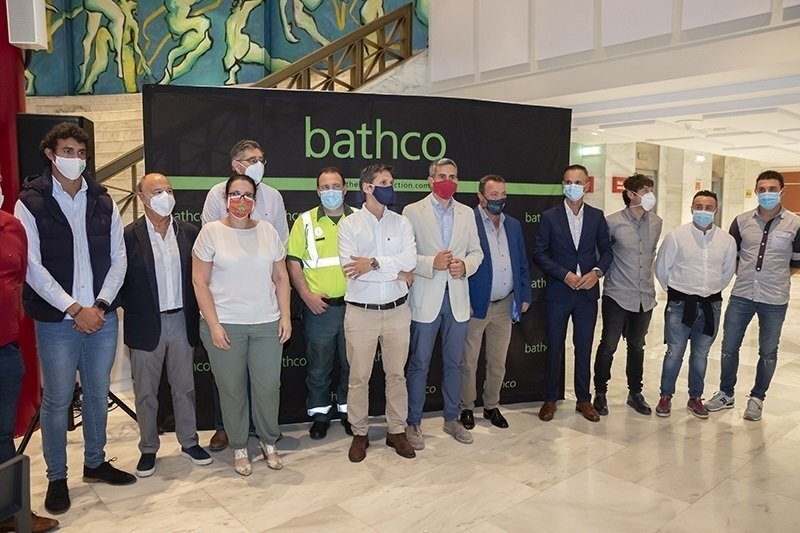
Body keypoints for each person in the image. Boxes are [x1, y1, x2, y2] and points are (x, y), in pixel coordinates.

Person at [15, 122, 135, 515]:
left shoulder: (102, 199)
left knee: (98, 394)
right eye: (68, 152)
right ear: (50, 154)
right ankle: (57, 477)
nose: (76, 159)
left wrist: (99, 305)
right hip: (57, 321)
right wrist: (73, 308)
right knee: (57, 399)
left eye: (81, 153)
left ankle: (95, 463)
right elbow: (32, 266)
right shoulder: (30, 201)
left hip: (101, 316)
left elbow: (119, 259)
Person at [193, 174, 291, 476]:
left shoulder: (268, 231)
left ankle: (268, 441)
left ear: (255, 201)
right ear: (226, 199)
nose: (241, 200)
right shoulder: (211, 232)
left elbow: (281, 277)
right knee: (232, 389)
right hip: (225, 325)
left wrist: (285, 316)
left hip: (266, 323)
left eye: (248, 195)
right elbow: (199, 281)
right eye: (235, 194)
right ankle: (238, 447)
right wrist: (213, 324)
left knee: (268, 388)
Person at [120, 173, 212, 478]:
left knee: (184, 387)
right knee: (146, 392)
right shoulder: (128, 236)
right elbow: (119, 280)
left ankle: (189, 442)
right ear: (142, 197)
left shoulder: (189, 232)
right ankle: (148, 447)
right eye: (157, 191)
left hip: (182, 319)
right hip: (146, 324)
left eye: (169, 190)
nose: (165, 196)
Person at [338, 163, 417, 463]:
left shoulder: (401, 222)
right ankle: (360, 433)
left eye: (391, 182)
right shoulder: (349, 225)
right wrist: (396, 272)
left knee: (396, 375)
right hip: (361, 313)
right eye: (384, 182)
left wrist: (372, 263)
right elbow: (351, 269)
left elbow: (409, 260)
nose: (390, 187)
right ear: (367, 187)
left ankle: (396, 431)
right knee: (359, 377)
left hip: (397, 311)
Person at [706, 171, 800, 421]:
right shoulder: (741, 221)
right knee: (729, 347)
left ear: (782, 191)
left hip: (775, 299)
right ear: (756, 191)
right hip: (742, 295)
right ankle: (726, 393)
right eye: (762, 189)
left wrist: (775, 278)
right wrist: (747, 275)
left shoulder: (795, 224)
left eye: (772, 189)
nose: (767, 193)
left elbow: (796, 263)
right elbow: (732, 256)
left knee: (768, 351)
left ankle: (757, 398)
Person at [403, 158, 483, 448]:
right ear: (430, 180)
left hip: (457, 300)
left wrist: (466, 266)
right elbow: (405, 255)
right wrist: (430, 263)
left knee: (454, 363)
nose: (447, 181)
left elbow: (477, 252)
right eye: (441, 176)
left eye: (452, 176)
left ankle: (451, 419)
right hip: (425, 300)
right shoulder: (412, 211)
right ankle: (413, 422)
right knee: (419, 364)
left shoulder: (466, 213)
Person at [0, 171, 59, 533]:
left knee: (2, 434)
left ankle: (8, 512)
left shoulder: (12, 227)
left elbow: (18, 278)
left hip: (6, 349)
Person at [532, 164, 612, 423]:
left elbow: (607, 251)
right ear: (562, 185)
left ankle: (583, 399)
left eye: (578, 182)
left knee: (584, 347)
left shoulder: (597, 216)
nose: (573, 186)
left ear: (587, 185)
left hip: (587, 294)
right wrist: (564, 274)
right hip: (559, 291)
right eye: (568, 182)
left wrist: (596, 273)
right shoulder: (550, 216)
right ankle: (550, 398)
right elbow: (540, 253)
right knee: (554, 346)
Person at [654, 190, 737, 419]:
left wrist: (708, 290)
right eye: (698, 206)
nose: (703, 211)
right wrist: (677, 292)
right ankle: (665, 396)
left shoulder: (727, 241)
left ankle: (695, 397)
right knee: (674, 352)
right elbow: (661, 269)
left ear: (716, 210)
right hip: (680, 304)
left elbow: (727, 272)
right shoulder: (676, 236)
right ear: (691, 208)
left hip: (711, 306)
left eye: (708, 207)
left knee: (700, 355)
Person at [287, 167, 354, 439]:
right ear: (317, 191)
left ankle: (350, 413)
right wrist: (306, 295)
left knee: (352, 365)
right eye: (325, 187)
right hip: (319, 309)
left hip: (355, 308)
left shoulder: (359, 219)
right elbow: (293, 261)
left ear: (345, 189)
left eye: (336, 186)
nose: (331, 192)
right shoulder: (304, 222)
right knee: (318, 367)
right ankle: (320, 415)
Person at [459, 174, 531, 430]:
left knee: (498, 361)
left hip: (505, 304)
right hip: (476, 305)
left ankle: (491, 405)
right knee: (468, 362)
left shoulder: (513, 225)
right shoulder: (467, 222)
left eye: (503, 194)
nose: (499, 199)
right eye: (493, 195)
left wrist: (524, 295)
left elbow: (521, 262)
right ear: (481, 197)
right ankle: (466, 407)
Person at [592, 174, 663, 416]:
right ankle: (600, 393)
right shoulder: (611, 222)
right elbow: (601, 255)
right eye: (644, 191)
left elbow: (651, 254)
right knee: (608, 345)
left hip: (645, 296)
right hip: (617, 294)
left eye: (651, 190)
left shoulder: (656, 222)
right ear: (631, 194)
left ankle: (635, 393)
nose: (650, 195)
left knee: (637, 346)